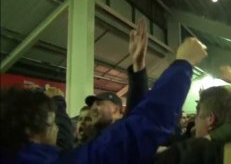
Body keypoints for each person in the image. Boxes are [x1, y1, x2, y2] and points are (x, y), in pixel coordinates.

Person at [0, 35, 208, 164]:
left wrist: (138, 70)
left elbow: (131, 127)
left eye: (101, 103)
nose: (94, 108)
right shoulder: (80, 150)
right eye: (49, 123)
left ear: (119, 111)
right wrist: (182, 64)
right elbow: (132, 131)